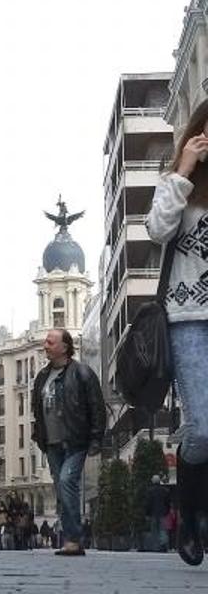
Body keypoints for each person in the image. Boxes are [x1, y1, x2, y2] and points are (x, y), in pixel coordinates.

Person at [146, 110, 208, 566]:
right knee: (202, 428)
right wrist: (184, 172)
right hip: (188, 318)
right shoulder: (176, 184)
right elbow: (157, 229)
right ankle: (188, 517)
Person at [31, 327, 107, 557]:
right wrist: (39, 434)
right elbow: (38, 409)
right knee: (63, 491)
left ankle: (73, 540)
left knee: (66, 482)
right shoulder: (43, 376)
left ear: (65, 347)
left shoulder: (82, 373)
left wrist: (96, 438)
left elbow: (97, 406)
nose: (46, 345)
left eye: (51, 342)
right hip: (52, 443)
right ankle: (71, 538)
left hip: (75, 440)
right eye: (46, 342)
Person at [144, 475, 170, 552]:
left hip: (153, 514)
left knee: (154, 531)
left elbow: (148, 503)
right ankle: (164, 546)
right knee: (163, 530)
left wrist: (147, 514)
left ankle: (156, 547)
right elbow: (168, 503)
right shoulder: (165, 490)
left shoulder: (150, 491)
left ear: (153, 481)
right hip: (163, 513)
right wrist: (167, 511)